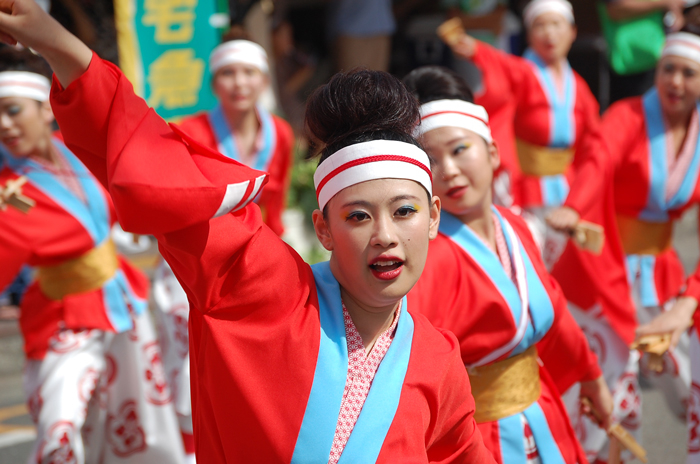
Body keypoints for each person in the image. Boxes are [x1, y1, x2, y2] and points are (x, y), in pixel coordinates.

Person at [0, 1, 497, 462]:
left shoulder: (437, 357)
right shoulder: (262, 289)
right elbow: (164, 167)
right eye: (358, 216)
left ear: (433, 216)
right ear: (322, 228)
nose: (385, 235)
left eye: (404, 211)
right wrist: (58, 45)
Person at [404, 66, 612, 464]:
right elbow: (415, 367)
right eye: (430, 160)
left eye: (459, 149)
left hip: (543, 414)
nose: (447, 170)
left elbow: (555, 311)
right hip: (473, 441)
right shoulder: (430, 255)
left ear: (493, 152)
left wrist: (591, 377)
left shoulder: (514, 224)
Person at [0, 46, 185, 464]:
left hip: (123, 305)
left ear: (44, 110)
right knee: (60, 430)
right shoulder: (11, 194)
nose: (4, 125)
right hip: (65, 319)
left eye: (13, 111)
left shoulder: (79, 152)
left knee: (138, 428)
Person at [601, 31, 700, 463]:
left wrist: (687, 303)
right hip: (609, 265)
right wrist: (572, 207)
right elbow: (596, 165)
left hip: (662, 269)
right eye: (668, 70)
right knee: (613, 382)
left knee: (681, 376)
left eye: (689, 73)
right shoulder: (629, 116)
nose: (676, 81)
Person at [450, 0, 607, 272]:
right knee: (527, 258)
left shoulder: (579, 87)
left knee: (561, 265)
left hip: (567, 187)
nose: (549, 33)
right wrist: (477, 51)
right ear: (529, 33)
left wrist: (582, 196)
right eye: (540, 25)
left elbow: (595, 145)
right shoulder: (524, 72)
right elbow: (504, 66)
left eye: (556, 25)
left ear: (572, 32)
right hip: (524, 187)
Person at [178, 29, 294, 237]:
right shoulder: (191, 132)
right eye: (228, 73)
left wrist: (277, 240)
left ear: (265, 81)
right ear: (214, 85)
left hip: (260, 239)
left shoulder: (280, 133)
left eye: (249, 72)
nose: (239, 83)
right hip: (204, 239)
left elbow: (278, 200)